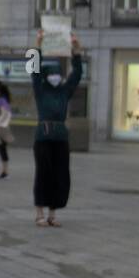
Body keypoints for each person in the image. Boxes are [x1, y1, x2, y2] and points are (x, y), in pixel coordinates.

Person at [32, 30, 82, 227]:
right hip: (43, 137)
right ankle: (39, 213)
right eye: (51, 74)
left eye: (57, 74)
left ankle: (53, 213)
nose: (55, 77)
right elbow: (33, 71)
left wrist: (76, 50)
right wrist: (38, 46)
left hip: (61, 138)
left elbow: (77, 74)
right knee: (43, 173)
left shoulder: (64, 91)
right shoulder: (40, 90)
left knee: (60, 175)